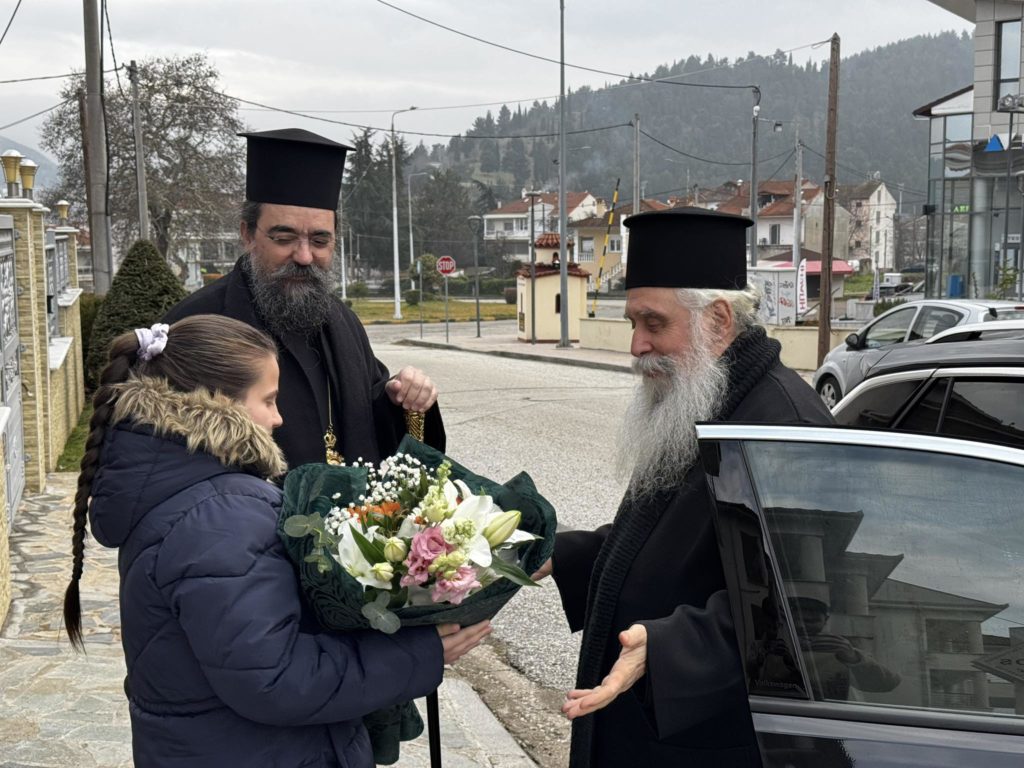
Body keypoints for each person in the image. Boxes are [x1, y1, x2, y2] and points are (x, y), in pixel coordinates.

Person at [61, 315, 490, 767]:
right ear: (217, 405)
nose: (279, 417)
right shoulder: (218, 516)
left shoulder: (182, 489)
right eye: (268, 400)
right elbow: (275, 680)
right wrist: (420, 655)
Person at [535, 208, 835, 767]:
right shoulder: (699, 397)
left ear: (718, 321)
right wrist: (560, 553)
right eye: (633, 324)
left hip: (704, 741)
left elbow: (806, 609)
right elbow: (660, 545)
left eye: (654, 324)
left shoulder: (784, 428)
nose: (636, 346)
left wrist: (668, 647)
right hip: (645, 725)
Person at [163, 128, 442, 469]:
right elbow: (163, 464)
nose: (305, 256)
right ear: (248, 234)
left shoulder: (343, 320)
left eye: (320, 241)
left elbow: (370, 422)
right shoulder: (196, 325)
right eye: (285, 238)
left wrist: (404, 399)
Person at [788, 596, 901, 701]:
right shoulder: (774, 645)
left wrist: (853, 658)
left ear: (826, 621)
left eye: (811, 621)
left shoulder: (838, 649)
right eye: (793, 620)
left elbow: (888, 683)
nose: (801, 626)